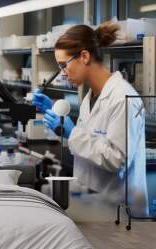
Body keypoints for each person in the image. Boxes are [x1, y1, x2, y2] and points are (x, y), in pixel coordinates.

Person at [32, 22, 148, 215]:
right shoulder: (90, 97)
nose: (62, 73)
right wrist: (55, 114)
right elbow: (91, 142)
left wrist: (72, 132)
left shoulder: (123, 98)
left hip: (119, 210)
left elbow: (116, 159)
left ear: (84, 56)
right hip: (95, 205)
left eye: (63, 65)